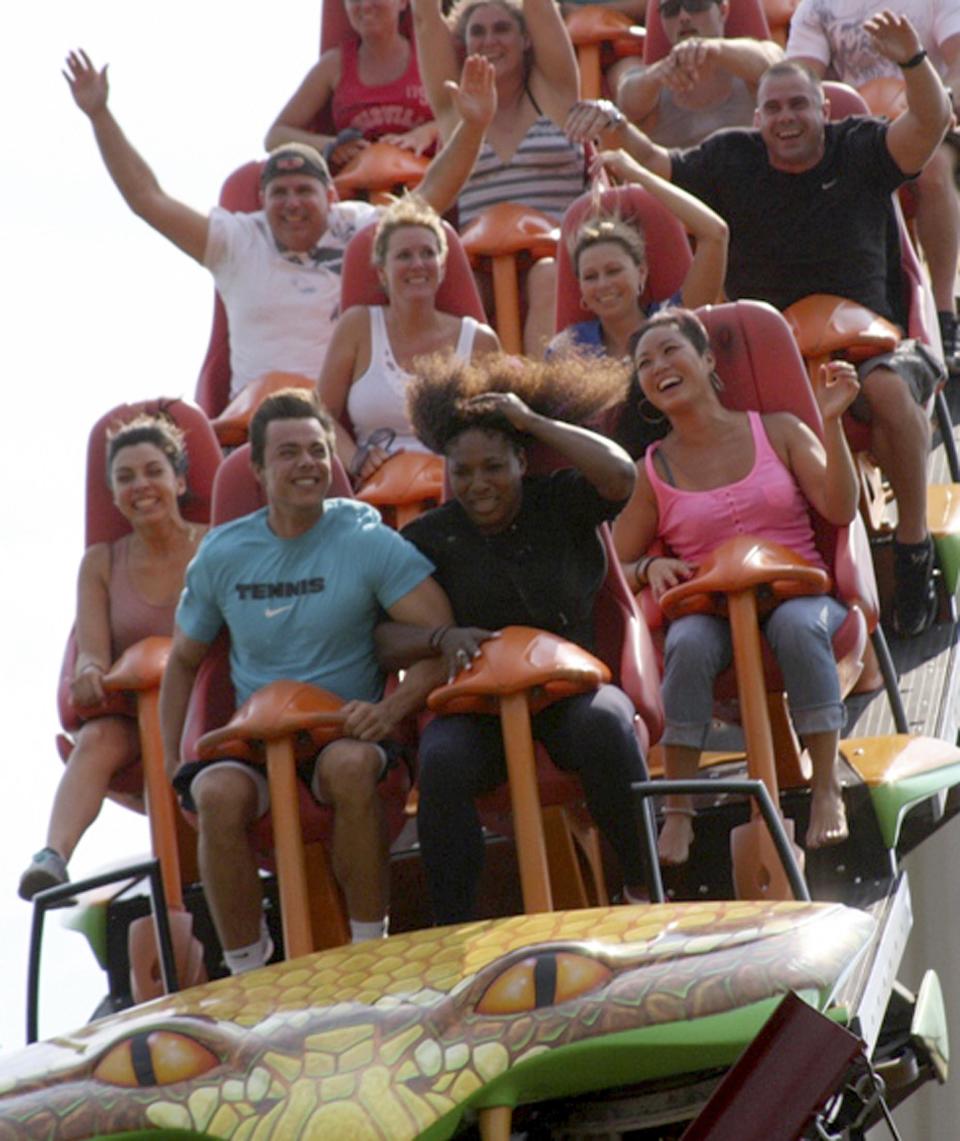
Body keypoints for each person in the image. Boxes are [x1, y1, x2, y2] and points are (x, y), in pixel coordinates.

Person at [569, 13, 952, 637]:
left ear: (822, 108)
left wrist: (914, 63)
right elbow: (661, 164)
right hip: (774, 361)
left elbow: (929, 127)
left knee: (886, 392)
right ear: (757, 119)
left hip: (873, 341)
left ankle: (911, 548)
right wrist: (618, 129)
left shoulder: (859, 146)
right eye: (772, 108)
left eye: (799, 104)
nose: (786, 118)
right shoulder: (732, 159)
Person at [159, 390, 454, 970]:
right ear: (261, 470)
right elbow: (184, 662)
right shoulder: (223, 554)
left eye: (318, 452)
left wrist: (391, 711)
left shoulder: (366, 541)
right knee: (214, 793)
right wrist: (174, 760)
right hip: (254, 741)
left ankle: (370, 948)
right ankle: (249, 970)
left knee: (347, 766)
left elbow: (443, 641)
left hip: (346, 731)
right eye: (289, 453)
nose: (307, 465)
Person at [378, 353, 651, 923]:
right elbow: (382, 638)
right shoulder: (428, 538)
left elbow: (621, 474)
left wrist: (532, 420)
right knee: (442, 759)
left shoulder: (562, 501)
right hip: (477, 707)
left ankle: (644, 893)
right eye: (463, 472)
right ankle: (454, 930)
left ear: (521, 461)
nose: (478, 485)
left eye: (494, 468)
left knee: (606, 726)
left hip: (571, 693)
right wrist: (439, 635)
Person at [64, 49, 495, 401]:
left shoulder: (360, 231)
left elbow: (432, 195)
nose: (292, 204)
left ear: (330, 196)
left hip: (337, 423)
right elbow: (148, 199)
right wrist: (100, 115)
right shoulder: (235, 240)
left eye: (304, 191)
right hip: (256, 424)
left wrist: (473, 126)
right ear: (262, 201)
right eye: (280, 193)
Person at [613, 309, 860, 864]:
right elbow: (614, 565)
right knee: (689, 642)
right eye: (645, 363)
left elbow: (840, 508)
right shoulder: (650, 471)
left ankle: (826, 786)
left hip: (801, 595)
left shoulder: (778, 430)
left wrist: (833, 424)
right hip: (712, 606)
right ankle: (679, 811)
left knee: (797, 628)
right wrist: (647, 570)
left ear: (705, 360)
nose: (659, 367)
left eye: (671, 351)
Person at [19, 416, 206, 900]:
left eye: (153, 472)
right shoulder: (101, 563)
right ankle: (53, 856)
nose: (141, 486)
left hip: (204, 707)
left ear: (179, 481)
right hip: (135, 716)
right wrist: (88, 673)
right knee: (97, 737)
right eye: (125, 478)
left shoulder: (214, 546)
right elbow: (93, 651)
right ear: (113, 494)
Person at [785, 0, 960, 365]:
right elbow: (801, 81)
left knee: (932, 166)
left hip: (929, 118)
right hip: (856, 136)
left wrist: (939, 100)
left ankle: (944, 314)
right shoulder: (814, 9)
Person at [411, 0, 584, 354]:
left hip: (561, 255)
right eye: (478, 31)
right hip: (482, 261)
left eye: (502, 29)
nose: (490, 40)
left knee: (546, 276)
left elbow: (539, 8)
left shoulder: (555, 93)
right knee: (456, 287)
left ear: (525, 39)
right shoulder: (456, 107)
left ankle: (542, 394)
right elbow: (424, 18)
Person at [318, 195, 500, 482]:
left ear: (441, 269)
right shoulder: (357, 326)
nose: (417, 264)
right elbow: (321, 415)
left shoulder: (479, 340)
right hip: (377, 497)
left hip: (457, 493)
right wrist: (355, 458)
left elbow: (496, 430)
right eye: (404, 255)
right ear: (382, 273)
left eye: (427, 254)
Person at [548, 164, 728, 361]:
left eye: (614, 271)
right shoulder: (569, 348)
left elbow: (716, 234)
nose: (603, 284)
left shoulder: (676, 319)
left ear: (641, 272)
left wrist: (639, 174)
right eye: (590, 276)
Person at [264, 0, 437, 173]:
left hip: (428, 183)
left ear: (402, 3)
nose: (366, 6)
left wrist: (427, 133)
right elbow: (275, 137)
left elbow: (460, 115)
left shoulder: (429, 55)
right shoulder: (333, 66)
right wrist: (332, 145)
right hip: (356, 187)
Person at [616, 0, 783, 148]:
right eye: (671, 9)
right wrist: (654, 77)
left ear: (723, 10)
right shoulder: (653, 82)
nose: (683, 16)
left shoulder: (753, 67)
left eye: (696, 4)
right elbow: (627, 100)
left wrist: (713, 48)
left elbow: (776, 65)